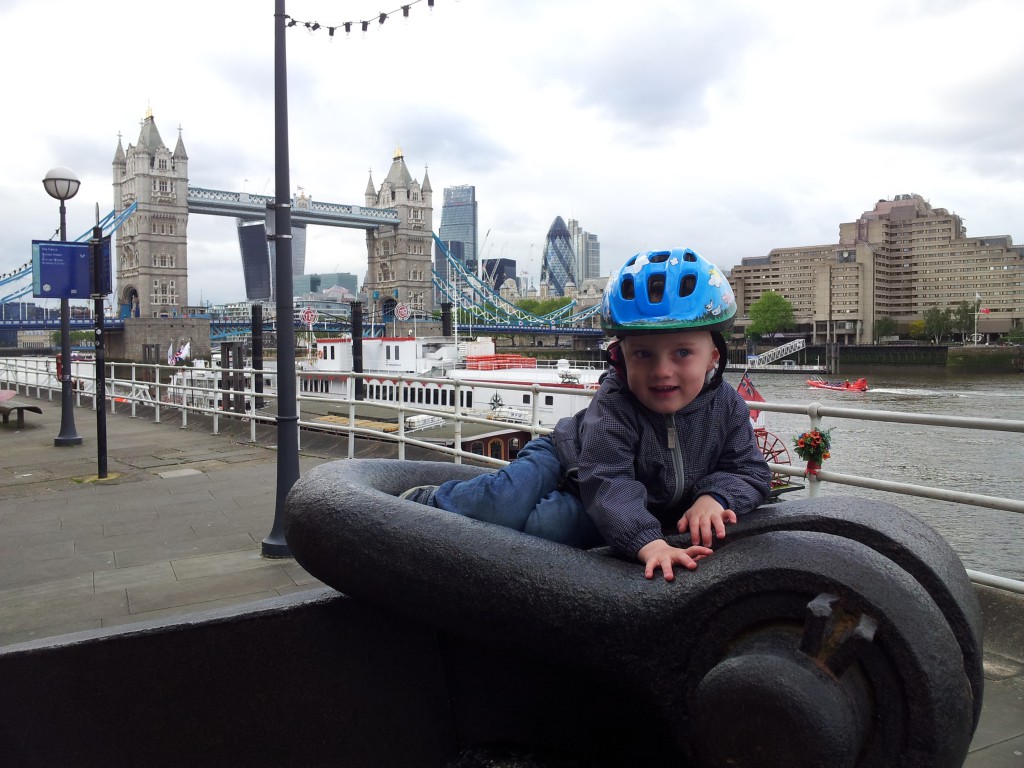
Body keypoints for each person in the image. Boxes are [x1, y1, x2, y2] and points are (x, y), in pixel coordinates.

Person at [400, 248, 772, 581]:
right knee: (502, 503)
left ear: (713, 357)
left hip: (619, 496)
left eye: (682, 353)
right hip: (565, 456)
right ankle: (432, 502)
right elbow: (609, 479)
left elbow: (750, 472)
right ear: (620, 358)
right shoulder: (616, 403)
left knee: (545, 529)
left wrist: (715, 498)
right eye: (643, 354)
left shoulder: (727, 406)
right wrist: (648, 543)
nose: (662, 371)